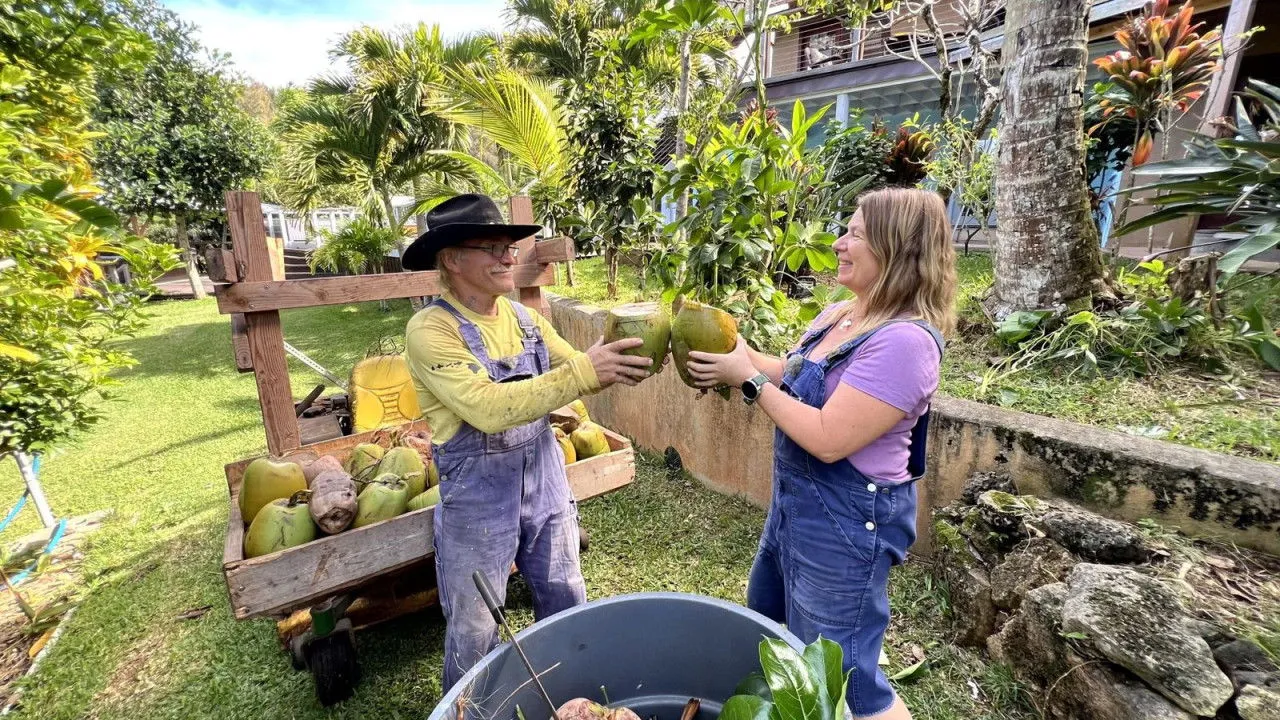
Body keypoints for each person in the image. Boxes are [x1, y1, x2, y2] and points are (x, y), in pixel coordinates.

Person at [686, 187, 956, 720]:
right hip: (796, 509)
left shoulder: (905, 342)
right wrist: (744, 360)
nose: (838, 243)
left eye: (856, 234)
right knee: (775, 635)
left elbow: (830, 437)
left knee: (845, 679)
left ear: (896, 248)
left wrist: (748, 384)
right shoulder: (842, 314)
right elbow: (795, 373)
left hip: (849, 523)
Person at [400, 193, 653, 691]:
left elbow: (577, 370)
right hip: (477, 499)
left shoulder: (524, 319)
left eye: (511, 246)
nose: (508, 256)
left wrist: (625, 357)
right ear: (451, 259)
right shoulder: (430, 330)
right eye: (492, 246)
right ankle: (469, 708)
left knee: (564, 593)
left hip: (546, 480)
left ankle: (569, 693)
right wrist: (585, 370)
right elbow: (488, 409)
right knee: (476, 626)